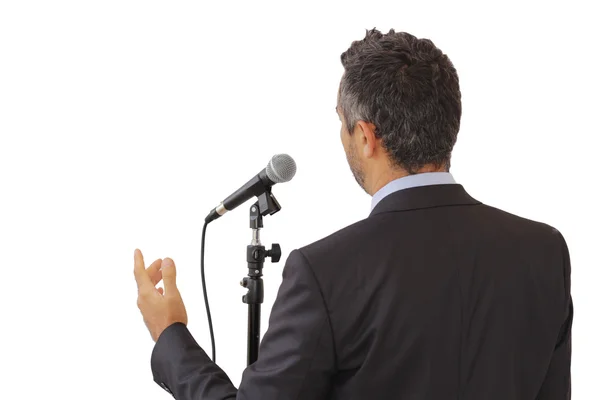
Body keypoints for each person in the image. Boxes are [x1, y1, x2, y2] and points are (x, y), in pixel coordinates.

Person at [133, 29, 573, 399]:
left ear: (365, 136)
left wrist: (170, 336)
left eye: (340, 121)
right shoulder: (544, 250)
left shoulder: (323, 273)